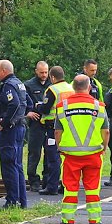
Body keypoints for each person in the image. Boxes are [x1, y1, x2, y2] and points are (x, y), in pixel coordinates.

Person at [55, 74, 109, 224]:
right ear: (89, 87)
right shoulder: (99, 106)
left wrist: (60, 147)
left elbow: (57, 132)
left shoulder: (62, 106)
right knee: (92, 188)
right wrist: (104, 147)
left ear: (73, 87)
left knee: (70, 188)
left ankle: (68, 220)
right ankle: (94, 220)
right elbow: (106, 131)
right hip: (93, 154)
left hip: (70, 155)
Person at [0, 59, 29, 208]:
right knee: (17, 165)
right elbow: (28, 103)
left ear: (3, 71)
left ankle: (12, 201)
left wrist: (4, 122)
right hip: (19, 128)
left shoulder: (8, 86)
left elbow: (15, 104)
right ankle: (21, 201)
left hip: (10, 130)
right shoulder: (20, 84)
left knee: (9, 164)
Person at [31, 66, 74, 195]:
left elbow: (45, 109)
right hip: (69, 126)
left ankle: (52, 186)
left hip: (53, 127)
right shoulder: (71, 88)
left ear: (52, 77)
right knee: (67, 158)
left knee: (53, 158)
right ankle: (66, 185)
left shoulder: (52, 90)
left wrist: (38, 106)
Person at [24, 61, 51, 192]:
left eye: (46, 72)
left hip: (50, 124)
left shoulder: (52, 85)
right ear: (36, 71)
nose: (44, 75)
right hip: (36, 123)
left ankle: (47, 179)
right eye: (41, 72)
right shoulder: (28, 85)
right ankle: (33, 180)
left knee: (50, 152)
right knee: (34, 152)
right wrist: (27, 113)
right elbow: (22, 102)